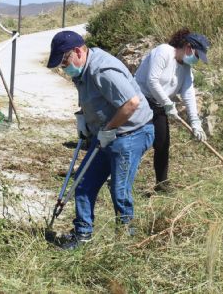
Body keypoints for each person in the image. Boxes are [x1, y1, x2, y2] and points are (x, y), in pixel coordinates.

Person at [46, 30, 155, 250]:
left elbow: (131, 103)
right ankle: (83, 234)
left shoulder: (102, 69)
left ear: (78, 51)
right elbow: (94, 100)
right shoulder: (82, 70)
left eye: (65, 61)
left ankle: (126, 241)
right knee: (83, 182)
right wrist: (84, 120)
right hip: (106, 134)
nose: (64, 68)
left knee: (119, 190)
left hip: (131, 134)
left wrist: (108, 128)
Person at [134, 29, 209, 192]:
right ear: (189, 47)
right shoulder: (164, 52)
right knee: (136, 141)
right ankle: (117, 178)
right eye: (197, 56)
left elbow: (188, 93)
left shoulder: (186, 68)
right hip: (139, 100)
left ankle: (161, 184)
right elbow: (152, 81)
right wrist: (168, 104)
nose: (196, 60)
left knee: (162, 143)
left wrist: (195, 122)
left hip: (159, 105)